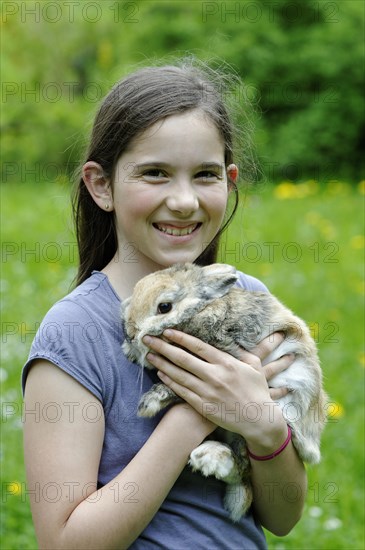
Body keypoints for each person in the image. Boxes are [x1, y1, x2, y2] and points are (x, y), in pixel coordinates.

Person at [23, 59, 307, 549]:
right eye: (155, 173)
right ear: (101, 186)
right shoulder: (75, 331)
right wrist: (196, 413)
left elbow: (283, 516)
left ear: (230, 180)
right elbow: (64, 542)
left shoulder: (248, 300)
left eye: (204, 175)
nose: (183, 200)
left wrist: (262, 428)